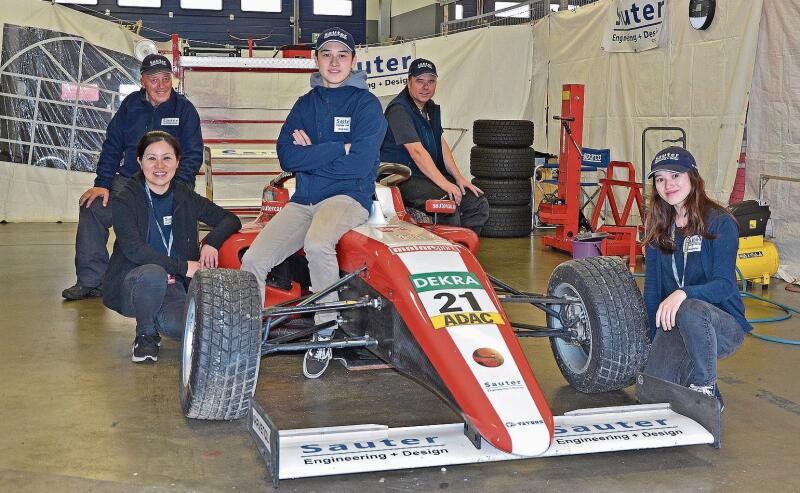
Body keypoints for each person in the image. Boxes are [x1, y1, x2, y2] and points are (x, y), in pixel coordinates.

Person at [240, 28, 387, 379]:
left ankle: (324, 331)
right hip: (304, 199)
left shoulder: (366, 105)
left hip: (348, 196)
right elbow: (287, 156)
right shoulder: (305, 104)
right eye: (326, 55)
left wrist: (311, 155)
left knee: (318, 243)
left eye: (341, 55)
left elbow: (363, 163)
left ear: (353, 61)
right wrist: (339, 147)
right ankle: (245, 336)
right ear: (316, 60)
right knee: (254, 260)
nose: (334, 62)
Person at [62, 54, 204, 301]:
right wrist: (102, 184)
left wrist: (173, 188)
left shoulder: (185, 110)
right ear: (143, 82)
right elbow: (112, 146)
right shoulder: (130, 106)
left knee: (179, 220)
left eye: (165, 78)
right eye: (153, 79)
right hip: (129, 183)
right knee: (93, 206)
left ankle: (184, 279)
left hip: (169, 184)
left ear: (173, 79)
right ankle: (92, 281)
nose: (160, 85)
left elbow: (192, 155)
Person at [102, 131, 240, 363]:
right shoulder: (126, 198)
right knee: (153, 273)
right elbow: (135, 250)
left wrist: (211, 243)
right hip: (135, 283)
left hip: (173, 286)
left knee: (190, 330)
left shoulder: (184, 195)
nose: (159, 165)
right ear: (139, 161)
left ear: (177, 162)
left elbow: (230, 219)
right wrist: (184, 266)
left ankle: (156, 318)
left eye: (167, 158)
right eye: (151, 158)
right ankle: (145, 335)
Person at [642, 146, 750, 408]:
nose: (668, 185)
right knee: (650, 393)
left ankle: (706, 388)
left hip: (721, 326)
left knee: (689, 307)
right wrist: (652, 340)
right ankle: (697, 386)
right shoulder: (658, 226)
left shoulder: (720, 222)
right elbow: (653, 289)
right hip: (676, 326)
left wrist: (684, 292)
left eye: (675, 176)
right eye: (660, 179)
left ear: (692, 177)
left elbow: (724, 286)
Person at [380, 58, 489, 235]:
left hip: (425, 176)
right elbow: (417, 152)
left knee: (477, 201)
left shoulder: (429, 107)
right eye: (420, 81)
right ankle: (446, 256)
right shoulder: (399, 110)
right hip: (401, 178)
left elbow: (441, 143)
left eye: (430, 82)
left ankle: (463, 251)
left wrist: (459, 178)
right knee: (446, 203)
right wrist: (445, 184)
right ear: (409, 81)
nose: (426, 87)